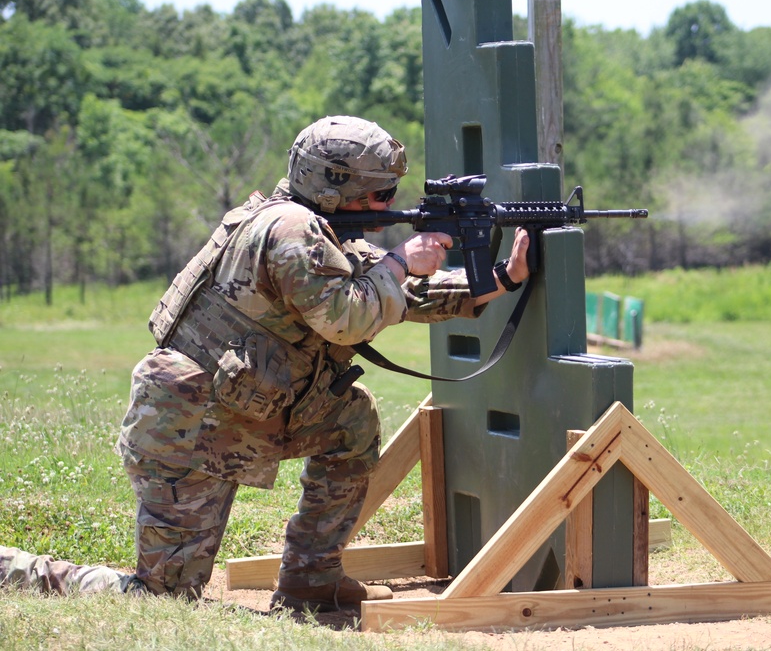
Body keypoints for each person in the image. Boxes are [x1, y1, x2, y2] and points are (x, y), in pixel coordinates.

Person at [1, 115, 531, 612]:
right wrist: (400, 261)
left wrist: (500, 279)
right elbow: (348, 316)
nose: (388, 203)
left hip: (244, 412)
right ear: (334, 187)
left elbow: (396, 292)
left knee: (350, 419)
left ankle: (311, 580)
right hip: (189, 429)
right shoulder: (290, 230)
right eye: (381, 192)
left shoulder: (318, 230)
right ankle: (17, 570)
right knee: (162, 596)